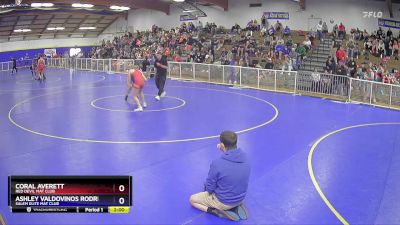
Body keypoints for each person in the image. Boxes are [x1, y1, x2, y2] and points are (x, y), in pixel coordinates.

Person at [189, 131, 250, 221]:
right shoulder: (246, 157)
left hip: (223, 202)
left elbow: (209, 188)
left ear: (221, 145)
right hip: (240, 198)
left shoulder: (217, 163)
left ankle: (214, 211)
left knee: (192, 199)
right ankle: (234, 205)